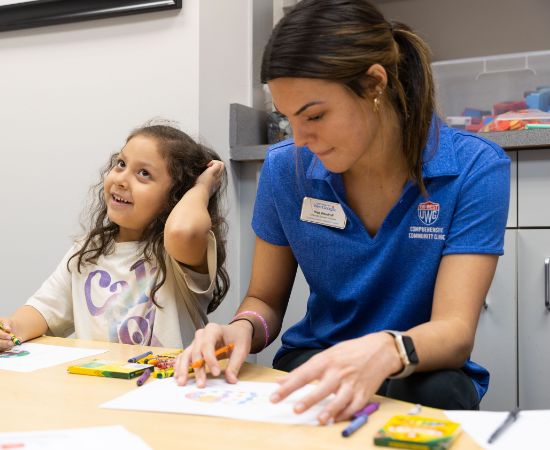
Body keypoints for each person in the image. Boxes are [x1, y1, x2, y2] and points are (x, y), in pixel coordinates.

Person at [174, 0, 510, 423]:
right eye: (287, 118)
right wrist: (239, 329)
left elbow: (455, 331)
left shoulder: (475, 168)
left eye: (314, 115)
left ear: (374, 84)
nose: (299, 139)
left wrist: (384, 350)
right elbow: (264, 300)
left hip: (417, 368)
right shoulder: (285, 169)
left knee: (439, 390)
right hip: (317, 359)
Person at [0, 122, 229, 350]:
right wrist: (10, 329)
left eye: (144, 173)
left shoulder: (180, 255)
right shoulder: (88, 250)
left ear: (178, 196)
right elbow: (44, 310)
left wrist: (203, 187)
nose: (121, 179)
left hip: (165, 384)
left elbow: (182, 231)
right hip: (98, 384)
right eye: (121, 164)